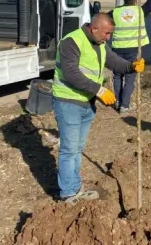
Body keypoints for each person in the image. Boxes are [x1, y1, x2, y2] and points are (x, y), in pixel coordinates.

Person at [51, 13, 145, 203]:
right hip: (68, 101)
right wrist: (99, 90)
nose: (108, 38)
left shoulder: (100, 43)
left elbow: (115, 62)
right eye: (106, 33)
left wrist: (131, 66)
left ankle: (75, 187)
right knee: (69, 149)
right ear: (94, 28)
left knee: (77, 148)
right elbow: (71, 73)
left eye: (110, 34)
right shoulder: (71, 42)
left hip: (87, 102)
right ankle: (69, 194)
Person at [107, 0, 151, 113]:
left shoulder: (115, 12)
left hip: (117, 48)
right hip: (133, 49)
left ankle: (117, 101)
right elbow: (149, 5)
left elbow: (104, 19)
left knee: (117, 76)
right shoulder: (139, 11)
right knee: (130, 78)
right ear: (135, 1)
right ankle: (125, 105)